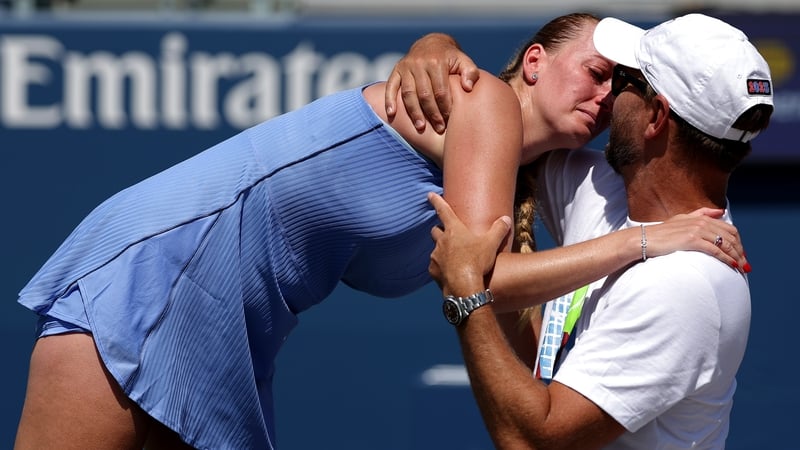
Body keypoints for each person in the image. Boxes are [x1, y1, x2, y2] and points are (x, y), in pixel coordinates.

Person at [13, 13, 747, 450]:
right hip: (168, 262)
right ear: (533, 63)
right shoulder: (487, 103)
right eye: (594, 72)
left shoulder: (523, 172)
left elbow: (517, 342)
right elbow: (480, 280)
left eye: (620, 85)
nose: (605, 94)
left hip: (234, 316)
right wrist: (644, 242)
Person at [409, 13, 772, 448]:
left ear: (656, 116)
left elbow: (532, 440)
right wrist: (436, 50)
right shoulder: (603, 188)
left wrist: (466, 293)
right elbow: (505, 127)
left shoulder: (684, 285)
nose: (609, 100)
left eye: (624, 82)